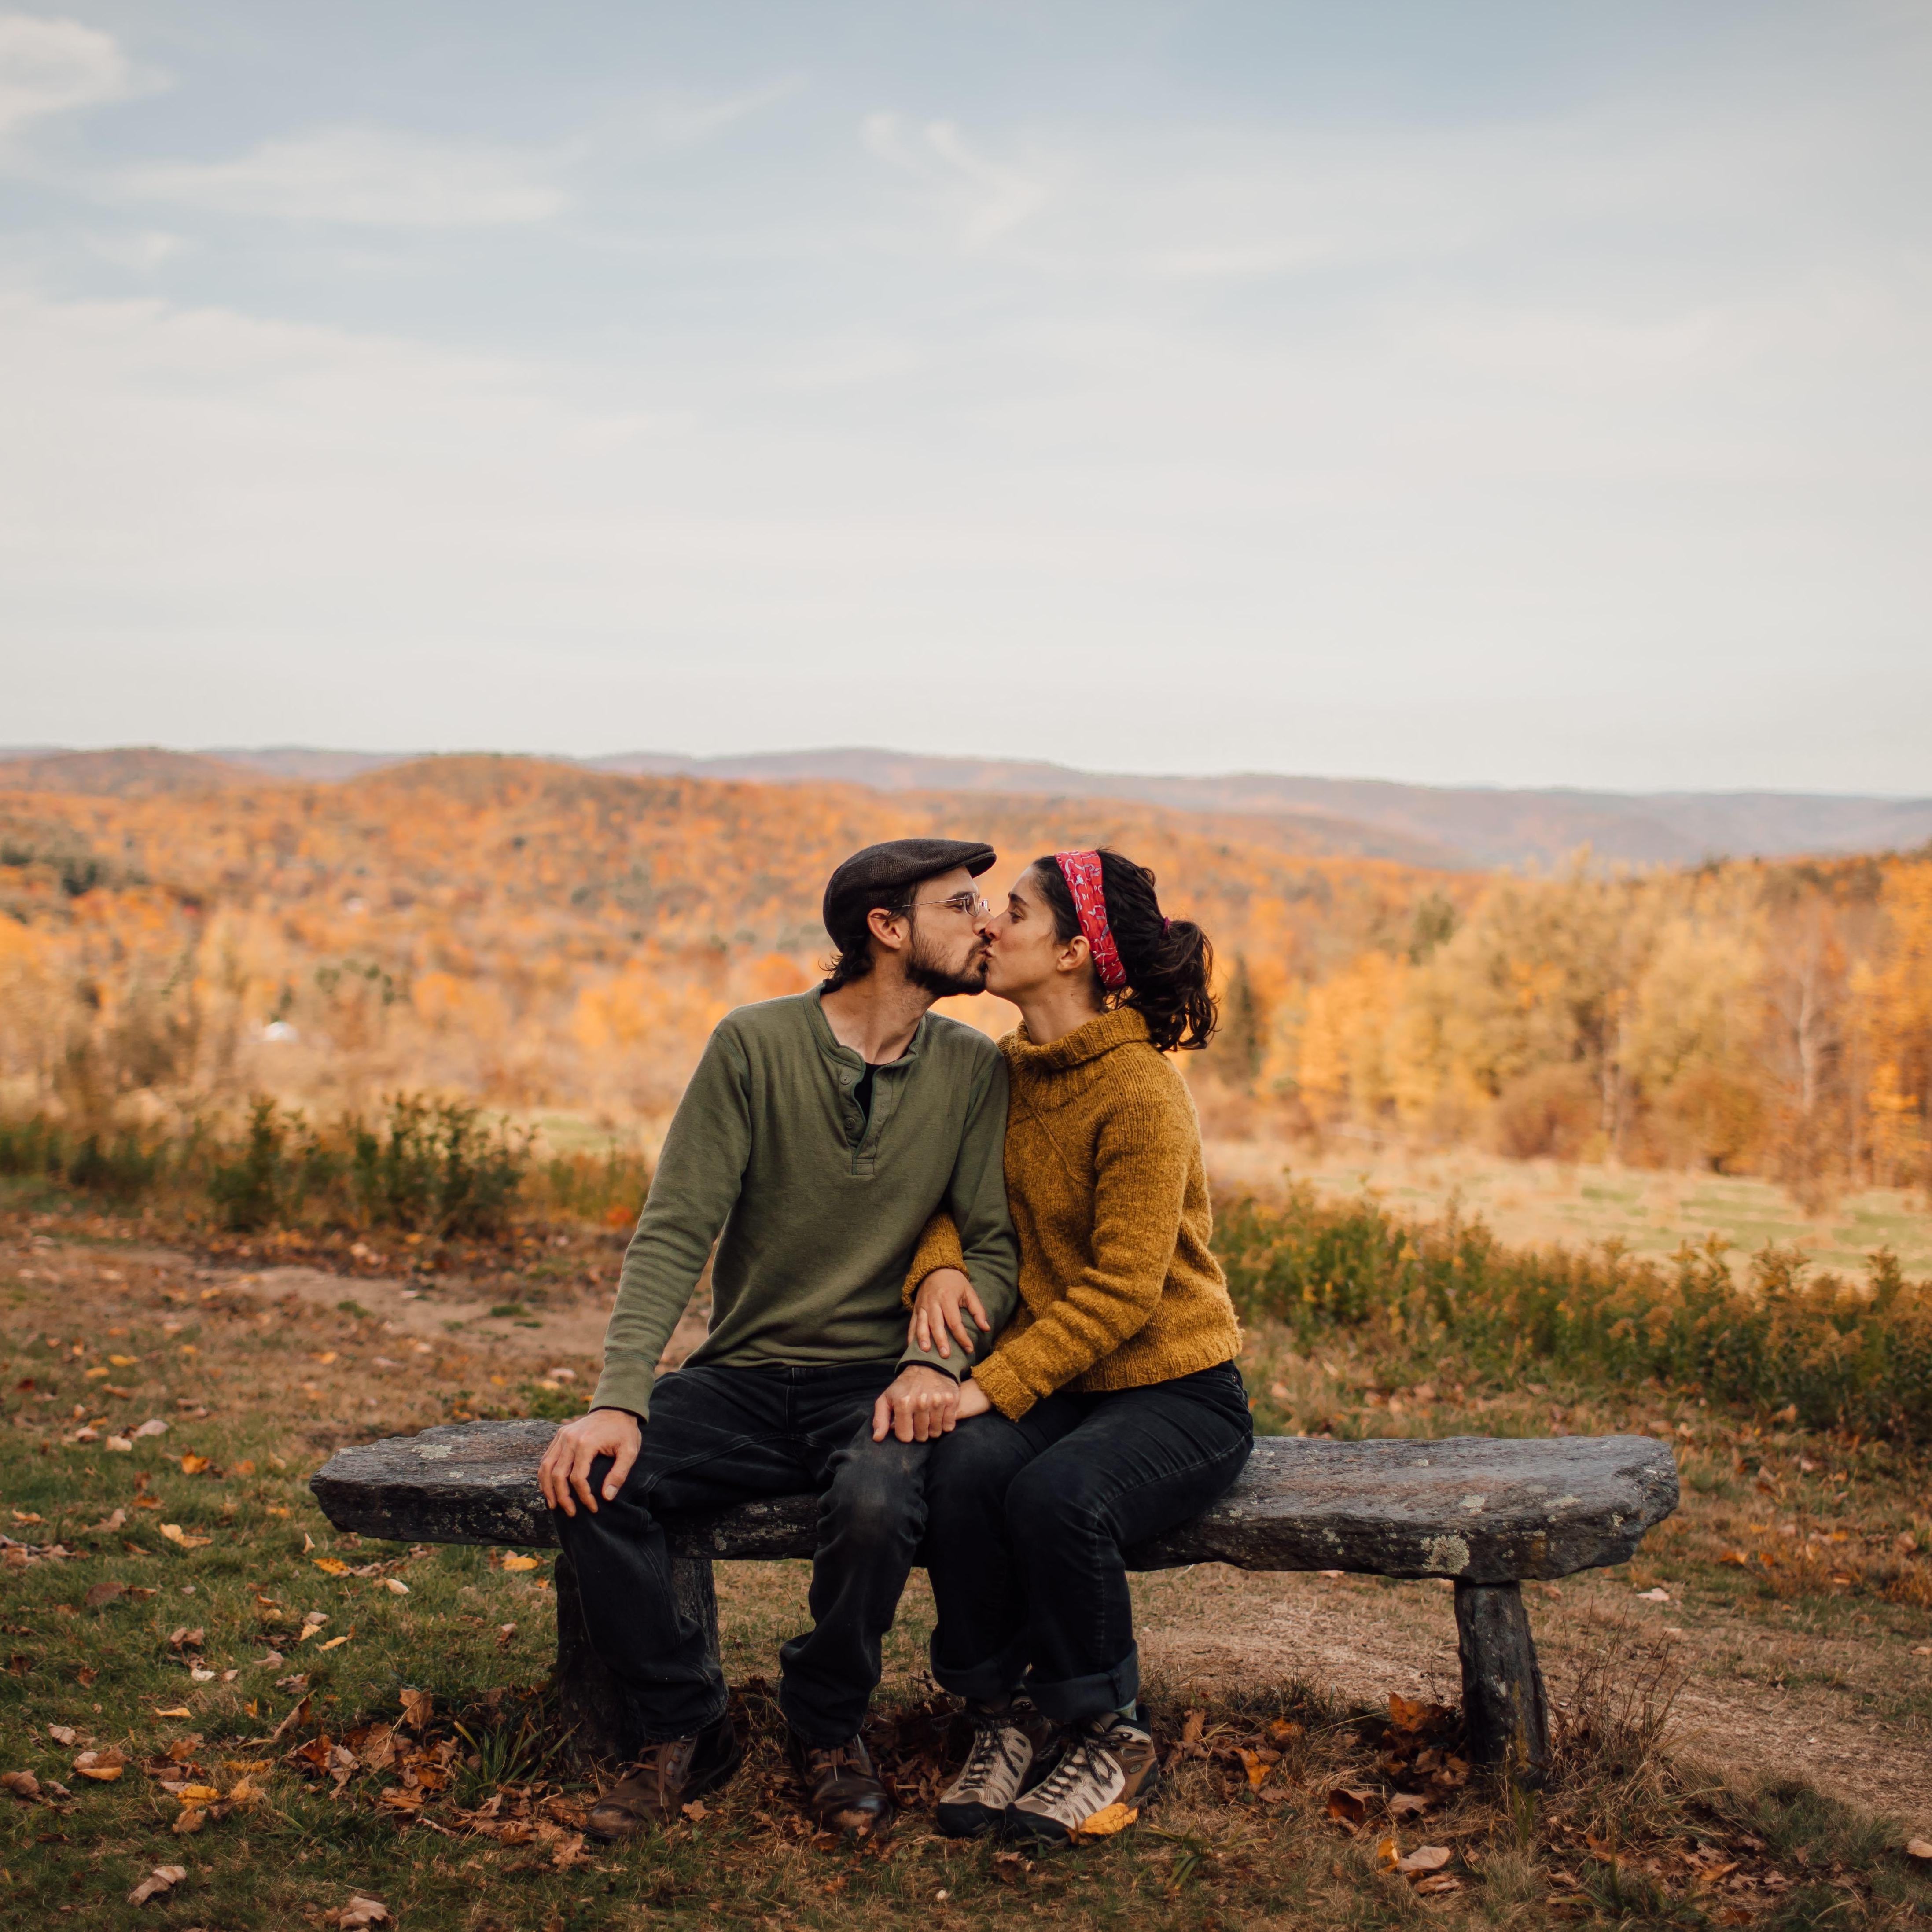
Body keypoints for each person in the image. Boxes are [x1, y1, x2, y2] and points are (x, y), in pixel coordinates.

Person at [538, 838, 1019, 1843]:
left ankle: (826, 1724)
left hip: (874, 1382)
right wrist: (620, 1396)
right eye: (960, 904)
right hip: (743, 1377)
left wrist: (936, 1360)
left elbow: (992, 1245)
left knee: (879, 1502)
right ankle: (685, 1724)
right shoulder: (752, 1043)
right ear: (885, 929)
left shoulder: (974, 1067)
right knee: (592, 1480)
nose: (985, 923)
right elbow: (676, 1226)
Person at [894, 847, 1252, 1847]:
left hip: (1176, 1390)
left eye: (1011, 909)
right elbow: (943, 1201)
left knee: (1059, 1493)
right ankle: (998, 1713)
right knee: (962, 1469)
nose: (987, 925)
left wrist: (987, 1384)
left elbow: (1124, 1292)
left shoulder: (1140, 1091)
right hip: (1066, 1383)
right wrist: (940, 1268)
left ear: (1071, 953)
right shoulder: (999, 1072)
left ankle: (1107, 1727)